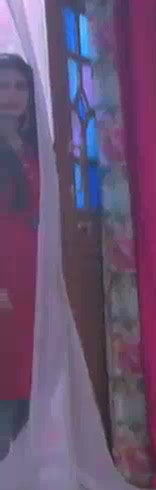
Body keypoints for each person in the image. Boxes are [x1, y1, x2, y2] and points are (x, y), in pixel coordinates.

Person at [0, 53, 37, 461]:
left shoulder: (33, 150)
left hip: (33, 278)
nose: (12, 95)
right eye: (3, 86)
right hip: (3, 277)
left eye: (19, 86)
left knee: (30, 379)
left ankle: (20, 478)